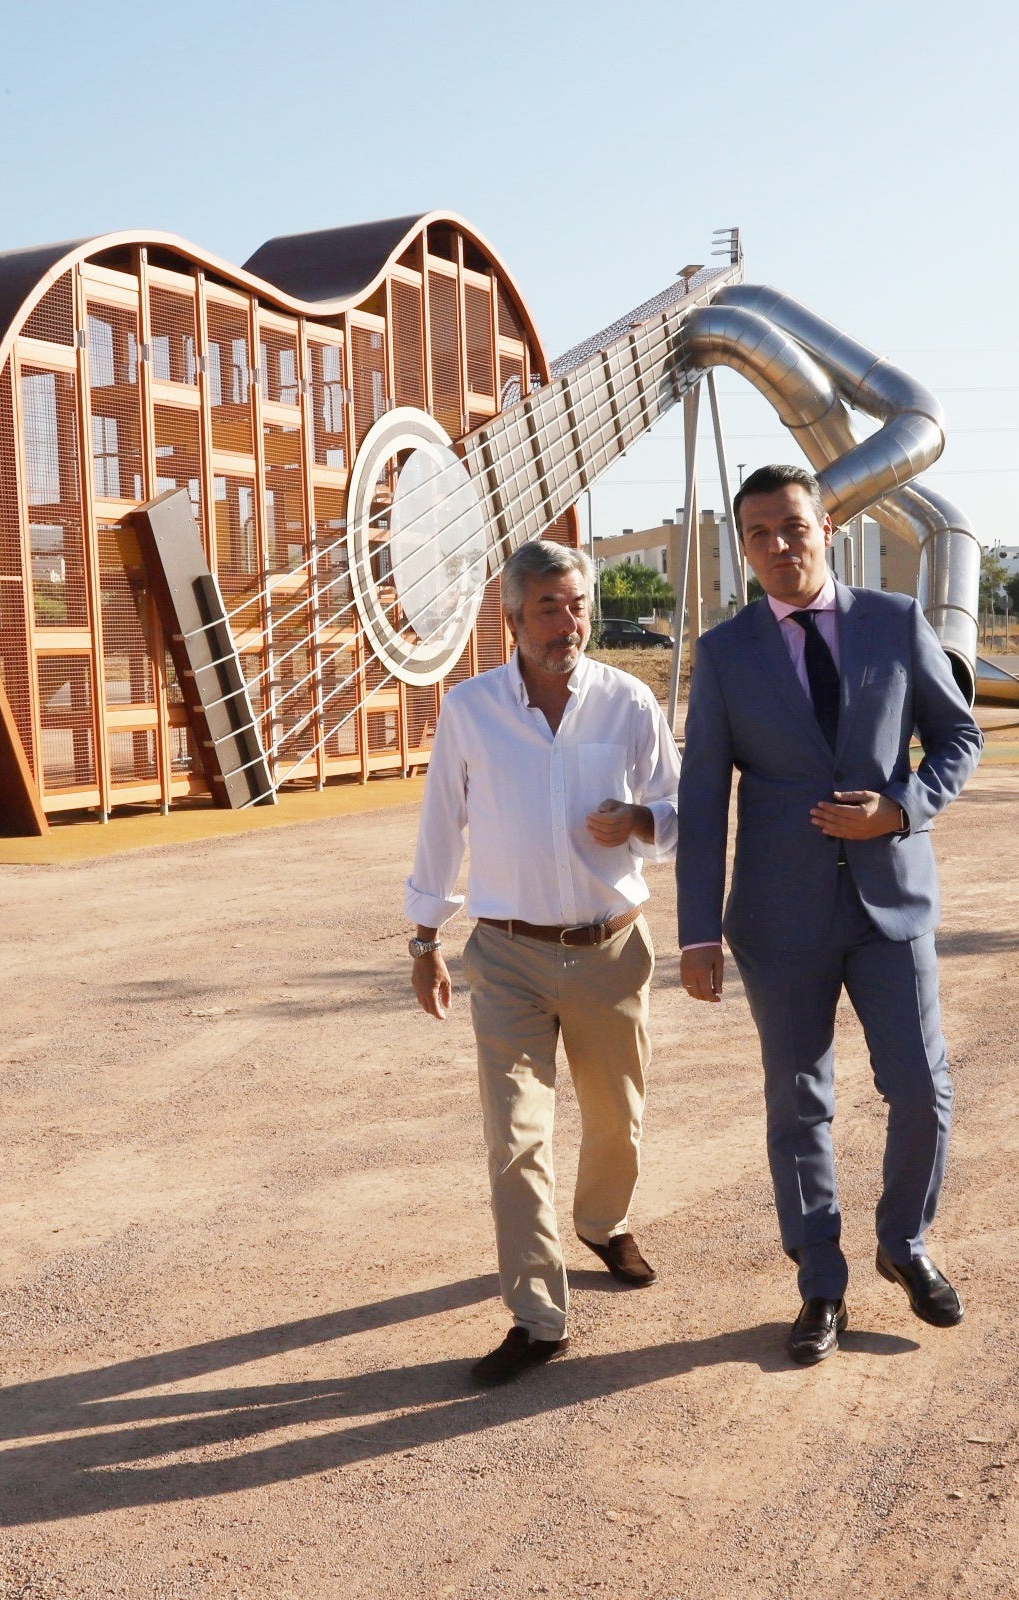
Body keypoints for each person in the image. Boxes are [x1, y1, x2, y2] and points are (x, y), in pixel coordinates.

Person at [678, 464, 985, 1366]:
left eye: (794, 526)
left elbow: (958, 735)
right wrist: (697, 932)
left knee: (921, 1088)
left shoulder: (895, 620)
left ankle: (904, 1242)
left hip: (892, 905)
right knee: (799, 1103)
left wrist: (903, 809)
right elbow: (704, 799)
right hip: (778, 919)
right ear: (744, 549)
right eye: (760, 534)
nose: (780, 545)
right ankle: (820, 1283)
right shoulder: (725, 653)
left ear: (827, 529)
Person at [405, 539, 681, 1387]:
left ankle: (602, 1222)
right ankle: (537, 1316)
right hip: (507, 957)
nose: (568, 622)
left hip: (611, 950)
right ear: (514, 620)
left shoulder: (628, 702)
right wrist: (424, 939)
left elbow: (679, 809)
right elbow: (441, 825)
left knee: (616, 1119)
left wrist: (639, 820)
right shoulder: (471, 709)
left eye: (577, 605)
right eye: (550, 607)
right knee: (517, 1139)